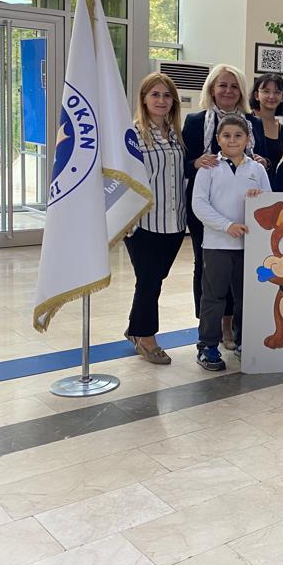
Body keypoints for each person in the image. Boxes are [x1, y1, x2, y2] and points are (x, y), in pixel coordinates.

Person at [183, 63, 262, 351]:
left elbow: (261, 165)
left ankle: (235, 331)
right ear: (212, 89)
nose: (228, 90)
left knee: (242, 283)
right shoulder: (195, 121)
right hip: (210, 214)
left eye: (234, 86)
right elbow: (184, 162)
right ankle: (210, 333)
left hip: (247, 219)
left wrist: (261, 164)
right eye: (222, 85)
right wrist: (196, 162)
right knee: (208, 275)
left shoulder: (253, 123)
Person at [192, 114, 271, 371]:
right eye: (226, 136)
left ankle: (244, 341)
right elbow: (199, 205)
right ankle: (207, 346)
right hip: (217, 245)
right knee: (214, 298)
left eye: (238, 136)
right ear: (218, 139)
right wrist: (227, 226)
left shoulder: (257, 169)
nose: (232, 140)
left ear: (247, 139)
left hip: (250, 247)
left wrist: (259, 197)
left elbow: (270, 204)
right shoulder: (209, 168)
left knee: (246, 298)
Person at [123, 72, 186, 365]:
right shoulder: (133, 135)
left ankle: (135, 328)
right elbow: (123, 179)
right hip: (143, 223)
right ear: (144, 99)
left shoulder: (176, 135)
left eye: (166, 95)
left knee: (155, 279)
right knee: (148, 281)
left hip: (174, 222)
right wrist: (127, 220)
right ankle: (147, 338)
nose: (161, 100)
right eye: (155, 95)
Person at [248, 73, 283, 182]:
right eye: (266, 91)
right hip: (244, 184)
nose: (271, 96)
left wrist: (267, 164)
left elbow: (274, 164)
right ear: (256, 95)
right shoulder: (245, 122)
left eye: (277, 92)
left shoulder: (282, 131)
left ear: (282, 97)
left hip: (269, 186)